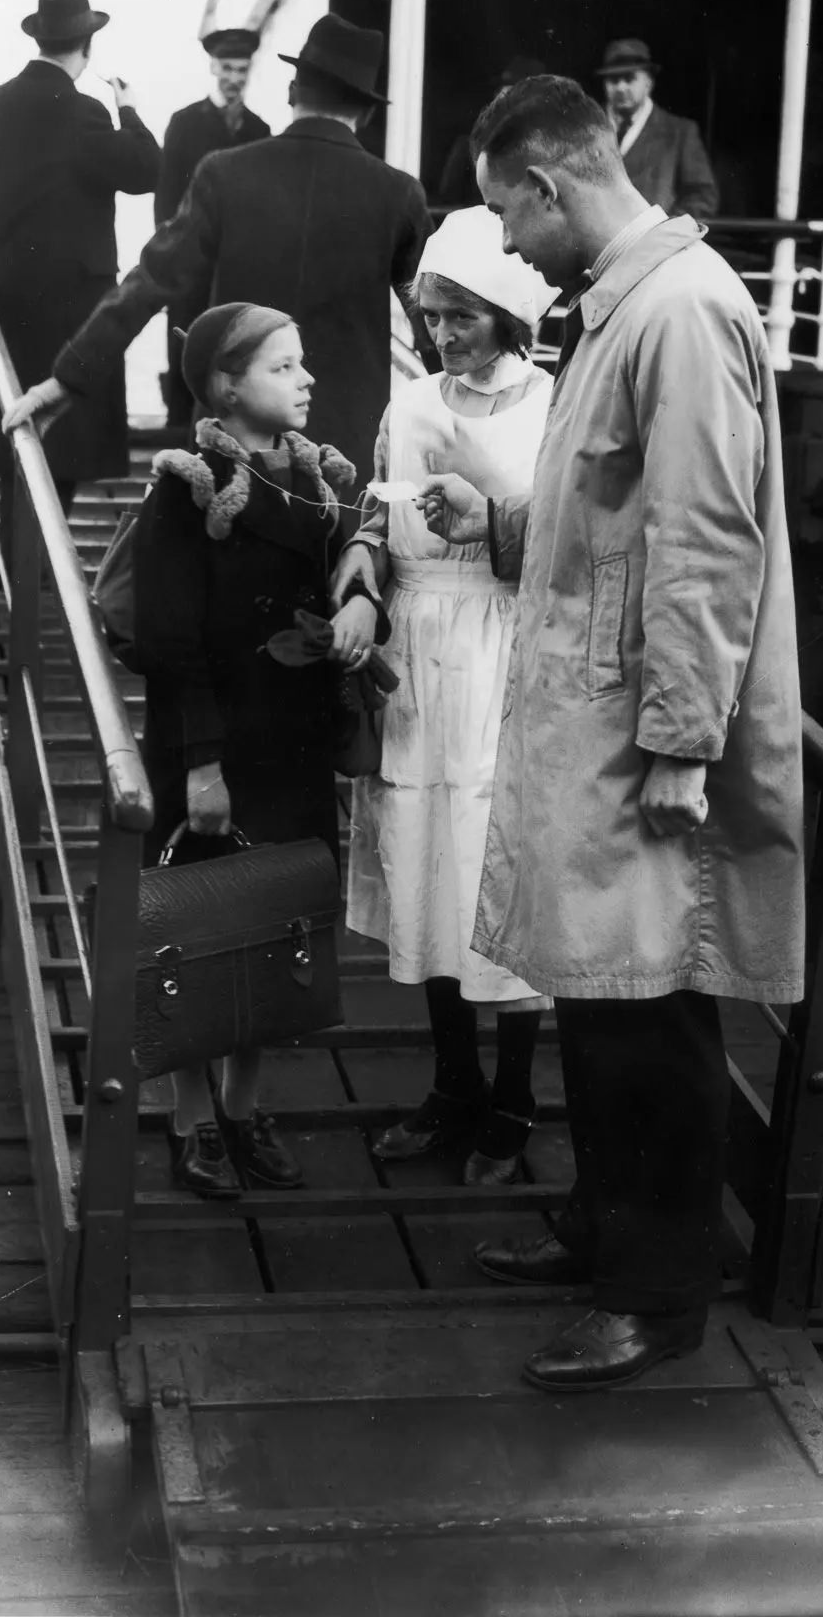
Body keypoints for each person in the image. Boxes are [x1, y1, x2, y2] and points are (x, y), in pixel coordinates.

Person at [420, 75, 804, 1392]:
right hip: (603, 728)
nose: (508, 245)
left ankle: (657, 1294)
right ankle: (603, 1230)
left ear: (547, 182)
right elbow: (611, 519)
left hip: (645, 746)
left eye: (504, 215)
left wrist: (687, 742)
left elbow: (707, 537)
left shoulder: (684, 316)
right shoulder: (631, 310)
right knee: (601, 992)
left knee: (651, 1011)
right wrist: (513, 531)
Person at [132, 302, 387, 1194]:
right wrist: (202, 763)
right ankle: (193, 1121)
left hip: (290, 740)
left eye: (303, 362)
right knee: (199, 931)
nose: (308, 379)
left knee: (277, 930)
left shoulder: (317, 484)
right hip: (215, 743)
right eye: (284, 368)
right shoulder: (187, 485)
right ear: (227, 386)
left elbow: (356, 562)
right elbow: (170, 641)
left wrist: (359, 609)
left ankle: (245, 1112)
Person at [334, 206, 558, 1186]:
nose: (440, 336)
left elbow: (571, 543)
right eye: (428, 316)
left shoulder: (556, 403)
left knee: (496, 873)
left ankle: (514, 1101)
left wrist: (490, 519)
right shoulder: (411, 404)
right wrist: (357, 578)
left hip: (507, 649)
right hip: (420, 659)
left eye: (458, 316)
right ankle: (451, 1086)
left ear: (505, 312)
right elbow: (375, 521)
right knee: (425, 868)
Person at [1, 14, 433, 493]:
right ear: (368, 112)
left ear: (293, 91)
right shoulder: (400, 196)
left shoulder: (224, 174)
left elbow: (150, 281)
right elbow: (434, 318)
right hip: (344, 461)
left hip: (234, 455)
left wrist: (65, 380)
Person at [0, 0, 160, 523]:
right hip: (76, 306)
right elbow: (146, 170)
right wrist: (130, 111)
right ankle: (43, 570)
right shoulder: (86, 112)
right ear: (87, 47)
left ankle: (19, 558)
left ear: (39, 40)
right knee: (62, 443)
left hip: (9, 297)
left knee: (13, 426)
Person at [154, 28, 271, 430]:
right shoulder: (184, 124)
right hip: (192, 272)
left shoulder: (259, 130)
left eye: (242, 69)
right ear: (213, 67)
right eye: (226, 68)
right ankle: (177, 442)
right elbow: (166, 202)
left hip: (237, 273)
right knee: (186, 356)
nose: (234, 78)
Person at [595, 38, 719, 222]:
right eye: (613, 80)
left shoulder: (679, 132)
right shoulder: (588, 129)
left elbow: (702, 197)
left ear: (648, 82)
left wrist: (665, 229)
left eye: (629, 78)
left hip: (654, 245)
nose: (621, 87)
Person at [437, 56, 547, 209]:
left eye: (513, 94)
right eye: (503, 92)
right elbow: (447, 202)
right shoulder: (466, 148)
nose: (502, 98)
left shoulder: (552, 150)